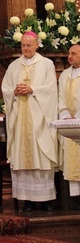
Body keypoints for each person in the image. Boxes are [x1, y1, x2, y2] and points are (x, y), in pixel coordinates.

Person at [1, 31, 58, 212]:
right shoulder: (13, 66)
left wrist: (32, 89)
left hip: (39, 119)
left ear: (36, 45)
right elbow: (5, 89)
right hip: (20, 119)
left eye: (29, 45)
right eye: (23, 45)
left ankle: (47, 199)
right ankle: (28, 201)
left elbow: (51, 89)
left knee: (40, 154)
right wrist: (14, 92)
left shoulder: (46, 64)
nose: (26, 48)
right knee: (22, 155)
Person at [58, 43, 80, 209]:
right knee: (72, 159)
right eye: (69, 53)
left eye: (74, 53)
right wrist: (65, 114)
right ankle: (75, 198)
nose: (70, 56)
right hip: (70, 123)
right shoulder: (65, 74)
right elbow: (61, 97)